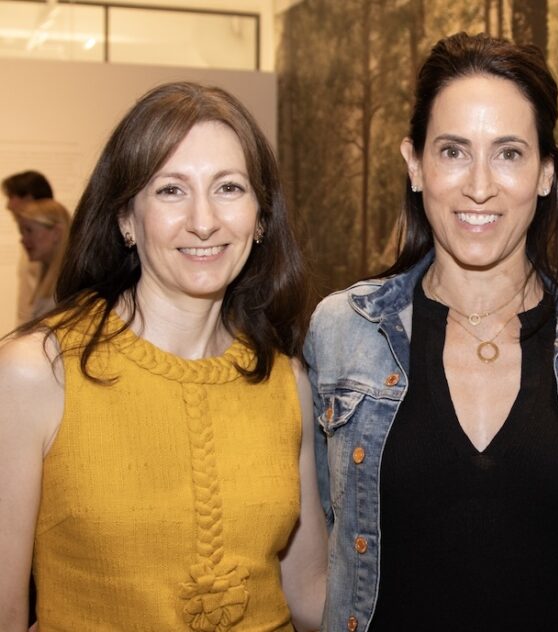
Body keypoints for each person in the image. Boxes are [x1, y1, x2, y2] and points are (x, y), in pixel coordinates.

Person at [305, 32, 558, 632]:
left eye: (508, 153)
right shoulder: (343, 332)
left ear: (546, 173)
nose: (479, 185)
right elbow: (317, 564)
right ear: (415, 165)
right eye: (452, 151)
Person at [0, 82, 328, 631]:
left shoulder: (284, 381)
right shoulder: (37, 373)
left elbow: (311, 595)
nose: (204, 221)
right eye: (171, 190)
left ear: (261, 216)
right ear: (127, 219)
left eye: (229, 187)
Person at [2, 170, 54, 324]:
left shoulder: (46, 242)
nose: (8, 206)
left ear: (29, 198)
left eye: (12, 197)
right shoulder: (33, 242)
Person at [11, 198, 70, 320]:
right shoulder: (47, 279)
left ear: (56, 233)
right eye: (22, 232)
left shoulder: (69, 284)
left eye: (29, 231)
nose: (23, 239)